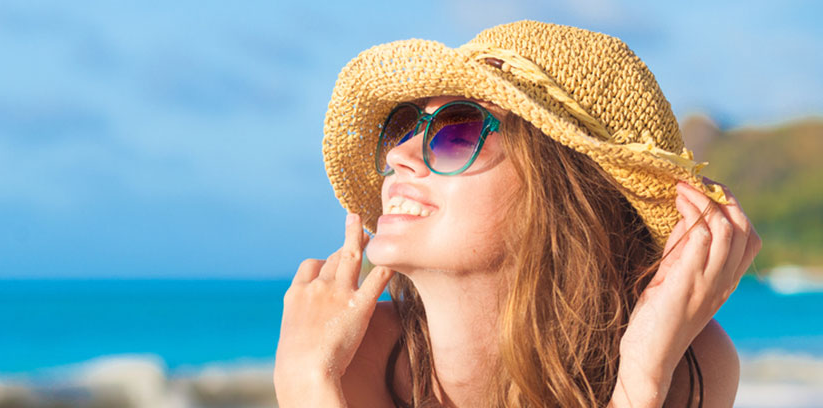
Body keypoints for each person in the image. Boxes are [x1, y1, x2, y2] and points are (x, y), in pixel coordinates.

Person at [274, 21, 761, 407]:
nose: (401, 153)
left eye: (456, 131)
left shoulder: (690, 361)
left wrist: (643, 378)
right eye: (402, 126)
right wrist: (305, 380)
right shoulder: (347, 363)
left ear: (559, 190)